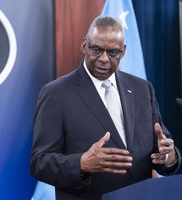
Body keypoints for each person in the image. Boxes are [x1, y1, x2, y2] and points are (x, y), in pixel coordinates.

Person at [30, 16, 181, 200]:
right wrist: (81, 164)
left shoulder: (142, 89)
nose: (104, 59)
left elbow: (161, 147)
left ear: (123, 52)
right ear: (84, 45)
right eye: (96, 50)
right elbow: (40, 162)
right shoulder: (55, 93)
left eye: (113, 53)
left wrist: (169, 157)